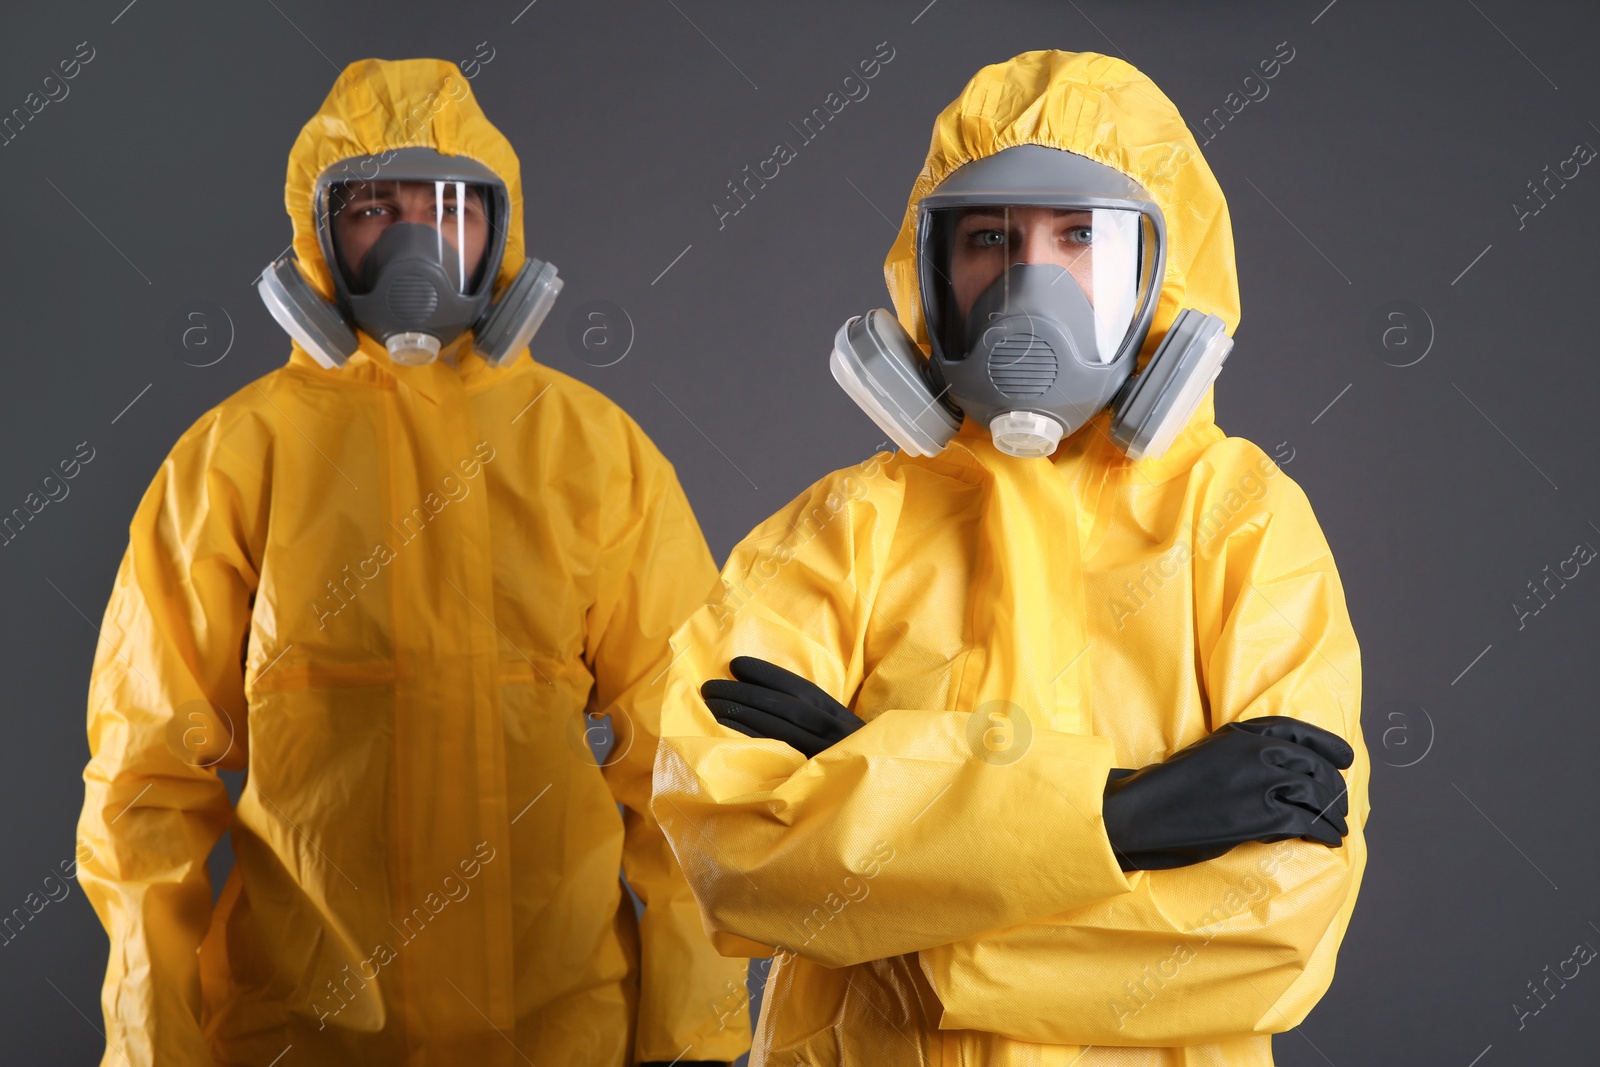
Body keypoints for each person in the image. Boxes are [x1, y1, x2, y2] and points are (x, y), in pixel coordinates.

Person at [650, 50, 1368, 1066]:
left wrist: (898, 890)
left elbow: (1278, 929)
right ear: (931, 270)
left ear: (1166, 272)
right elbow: (728, 846)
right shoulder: (842, 528)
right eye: (989, 237)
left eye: (1080, 236)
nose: (1032, 284)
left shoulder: (1242, 525)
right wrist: (1122, 819)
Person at [76, 58, 748, 1067]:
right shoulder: (232, 461)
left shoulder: (592, 452)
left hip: (560, 1036)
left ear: (498, 230)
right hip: (298, 1039)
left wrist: (685, 1041)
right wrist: (151, 1048)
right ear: (320, 238)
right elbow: (145, 787)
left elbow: (695, 768)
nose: (413, 242)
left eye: (446, 208)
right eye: (371, 211)